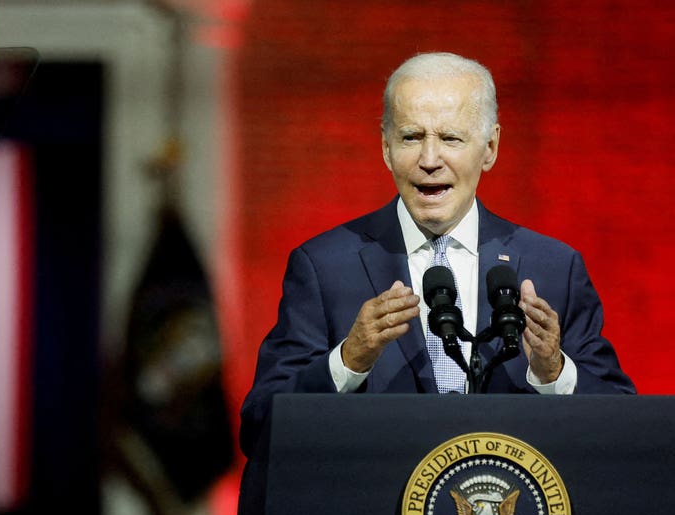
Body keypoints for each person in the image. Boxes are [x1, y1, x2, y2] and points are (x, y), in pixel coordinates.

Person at [239, 52, 635, 455]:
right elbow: (259, 426)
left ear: (490, 147)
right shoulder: (324, 267)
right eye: (412, 137)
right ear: (385, 147)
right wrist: (348, 360)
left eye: (450, 138)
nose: (430, 160)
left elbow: (626, 430)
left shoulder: (554, 268)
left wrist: (555, 373)